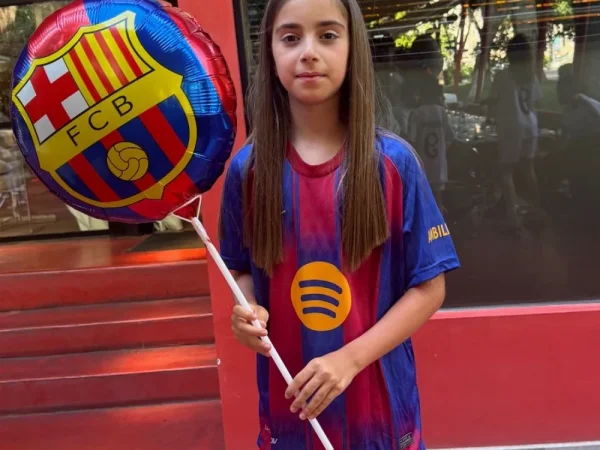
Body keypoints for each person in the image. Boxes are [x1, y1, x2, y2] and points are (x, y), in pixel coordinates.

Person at [219, 0, 460, 448]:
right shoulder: (248, 172)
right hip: (290, 416)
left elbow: (430, 288)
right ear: (270, 51)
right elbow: (240, 268)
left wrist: (350, 359)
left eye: (328, 35)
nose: (308, 52)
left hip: (380, 418)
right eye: (290, 37)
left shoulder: (393, 164)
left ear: (353, 47)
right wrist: (247, 311)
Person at [487, 33, 544, 232]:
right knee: (528, 168)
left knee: (506, 171)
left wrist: (489, 114)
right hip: (530, 124)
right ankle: (536, 209)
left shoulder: (503, 75)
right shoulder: (530, 76)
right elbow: (535, 102)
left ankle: (513, 214)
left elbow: (493, 100)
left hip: (512, 126)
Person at [407, 73, 454, 213]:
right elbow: (450, 137)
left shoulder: (416, 113)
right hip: (439, 163)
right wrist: (442, 151)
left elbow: (412, 140)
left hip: (422, 163)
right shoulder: (441, 112)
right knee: (438, 200)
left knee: (422, 201)